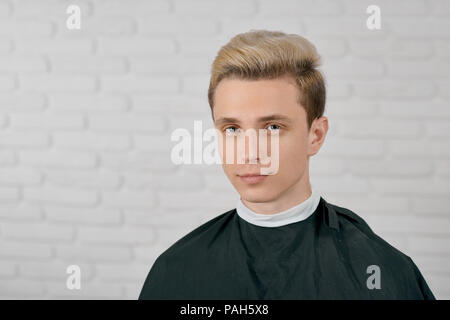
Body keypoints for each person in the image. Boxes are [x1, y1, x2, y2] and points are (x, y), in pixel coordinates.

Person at [138, 30, 435, 300]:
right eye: (232, 129)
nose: (249, 154)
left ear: (315, 135)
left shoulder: (381, 271)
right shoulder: (177, 270)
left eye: (273, 128)